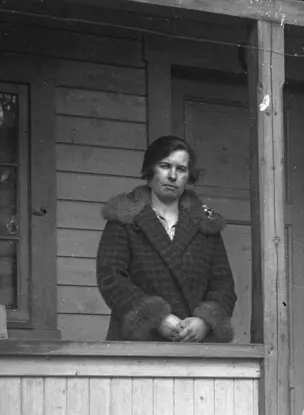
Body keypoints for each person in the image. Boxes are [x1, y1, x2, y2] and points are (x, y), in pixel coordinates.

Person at [96, 135, 236, 342]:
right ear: (150, 170)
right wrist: (156, 317)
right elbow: (111, 278)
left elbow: (223, 284)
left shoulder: (205, 223)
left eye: (181, 169)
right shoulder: (124, 217)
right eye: (165, 166)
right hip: (140, 342)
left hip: (195, 343)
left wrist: (205, 321)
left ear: (188, 176)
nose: (172, 176)